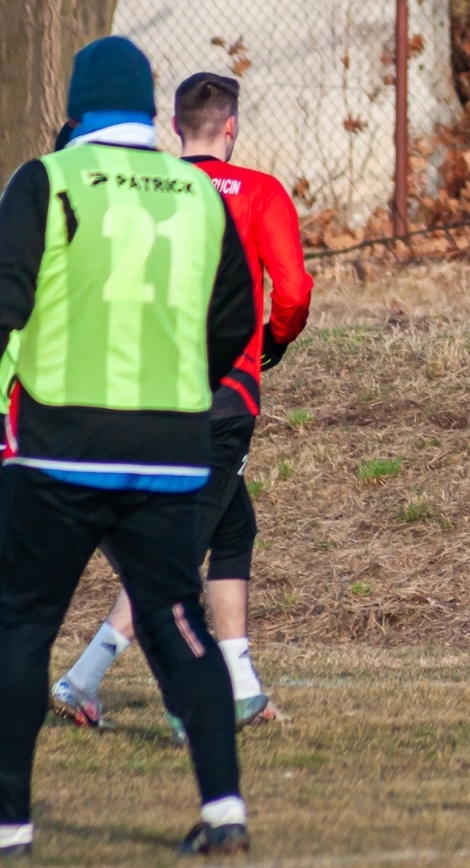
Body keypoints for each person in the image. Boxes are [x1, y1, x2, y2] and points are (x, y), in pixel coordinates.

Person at [0, 37, 258, 857]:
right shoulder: (196, 191)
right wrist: (181, 386)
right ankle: (224, 810)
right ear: (150, 110)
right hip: (170, 450)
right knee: (178, 621)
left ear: (75, 108)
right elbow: (236, 317)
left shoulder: (48, 179)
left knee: (22, 625)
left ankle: (10, 823)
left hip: (60, 446)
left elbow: (4, 301)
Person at [51, 72, 313, 739]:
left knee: (233, 529)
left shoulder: (148, 188)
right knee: (173, 557)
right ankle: (86, 676)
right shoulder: (259, 191)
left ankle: (244, 687)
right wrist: (275, 339)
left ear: (175, 127)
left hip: (145, 389)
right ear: (232, 126)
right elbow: (292, 291)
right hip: (221, 396)